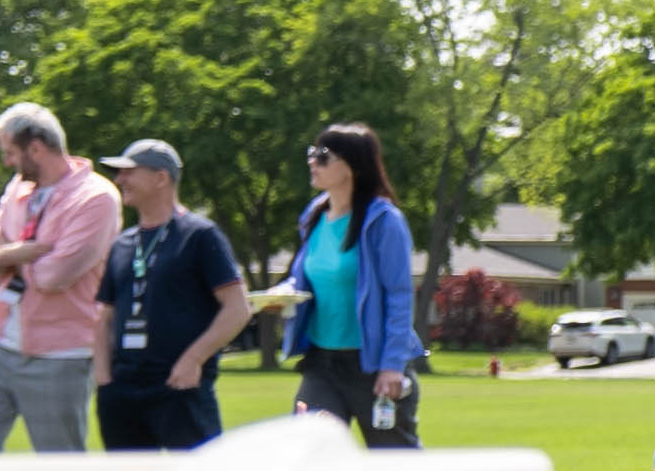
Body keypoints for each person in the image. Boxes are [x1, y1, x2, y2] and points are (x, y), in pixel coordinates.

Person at [0, 104, 119, 455]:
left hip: (60, 353)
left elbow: (55, 276)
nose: (6, 162)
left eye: (10, 153)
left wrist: (5, 257)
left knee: (59, 465)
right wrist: (21, 252)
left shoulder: (97, 197)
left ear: (36, 148)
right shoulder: (18, 188)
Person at [92, 139, 258, 451]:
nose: (119, 180)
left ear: (160, 178)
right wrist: (103, 378)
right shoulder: (123, 243)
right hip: (122, 391)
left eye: (128, 172)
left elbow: (237, 309)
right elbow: (104, 317)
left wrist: (193, 359)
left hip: (180, 386)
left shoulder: (200, 236)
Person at [287, 122, 424, 449]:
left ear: (352, 167)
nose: (312, 162)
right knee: (308, 454)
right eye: (312, 153)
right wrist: (285, 296)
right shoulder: (313, 216)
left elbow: (399, 296)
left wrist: (392, 366)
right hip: (322, 365)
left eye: (323, 156)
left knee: (395, 466)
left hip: (374, 367)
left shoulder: (384, 221)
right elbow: (308, 277)